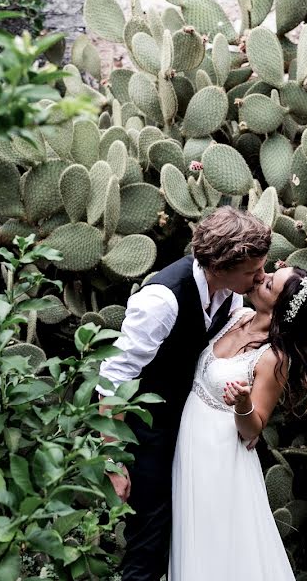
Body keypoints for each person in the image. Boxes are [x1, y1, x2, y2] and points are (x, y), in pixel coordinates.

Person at [96, 206, 272, 581]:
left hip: (192, 437)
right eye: (251, 272)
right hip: (144, 433)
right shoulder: (162, 301)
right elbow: (114, 378)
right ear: (219, 267)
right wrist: (112, 460)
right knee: (150, 544)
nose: (260, 278)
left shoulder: (232, 296)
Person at [169, 266, 307, 581]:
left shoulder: (273, 360)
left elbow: (253, 429)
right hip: (190, 445)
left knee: (218, 548)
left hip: (221, 460)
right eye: (270, 273)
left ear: (280, 308)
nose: (261, 277)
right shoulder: (236, 314)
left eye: (270, 284)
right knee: (190, 535)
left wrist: (243, 404)